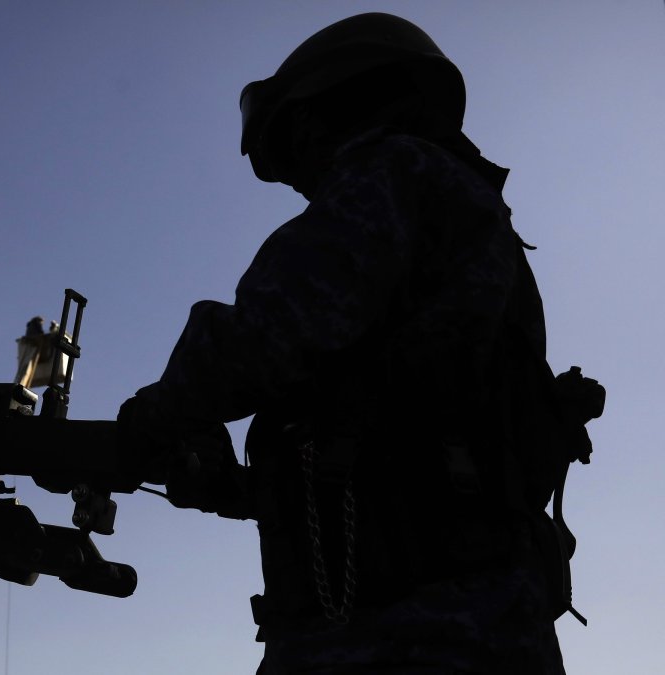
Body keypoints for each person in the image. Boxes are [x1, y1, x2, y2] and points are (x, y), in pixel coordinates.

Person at [118, 13, 598, 674]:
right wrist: (240, 487)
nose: (300, 180)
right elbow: (394, 438)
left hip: (405, 631)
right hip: (468, 616)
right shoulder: (463, 213)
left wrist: (148, 419)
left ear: (319, 115)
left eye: (293, 148)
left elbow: (273, 333)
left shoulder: (392, 169)